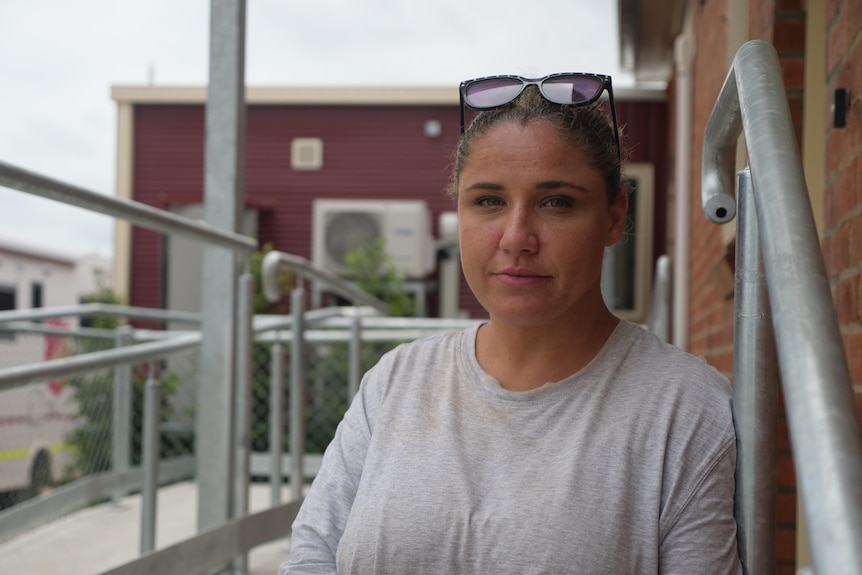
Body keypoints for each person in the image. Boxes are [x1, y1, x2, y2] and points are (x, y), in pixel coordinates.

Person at [280, 73, 741, 574]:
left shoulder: (686, 409)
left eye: (557, 202)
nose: (517, 237)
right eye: (489, 201)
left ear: (614, 217)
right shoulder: (396, 383)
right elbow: (310, 559)